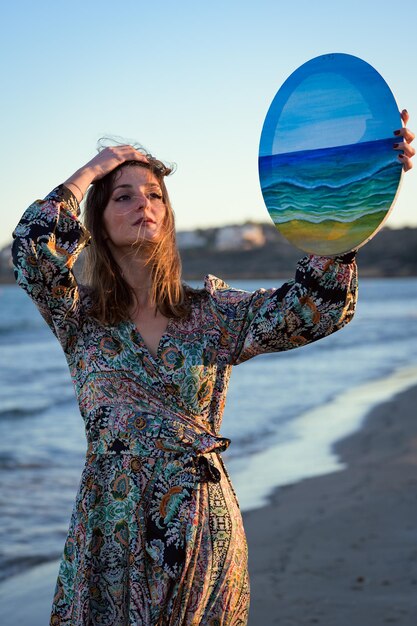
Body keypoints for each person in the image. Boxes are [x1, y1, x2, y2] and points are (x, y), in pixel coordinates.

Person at [12, 111, 414, 626]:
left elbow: (315, 308)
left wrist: (365, 189)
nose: (144, 204)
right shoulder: (79, 316)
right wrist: (95, 167)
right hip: (110, 531)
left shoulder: (212, 313)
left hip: (202, 525)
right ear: (99, 222)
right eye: (124, 195)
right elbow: (30, 251)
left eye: (155, 194)